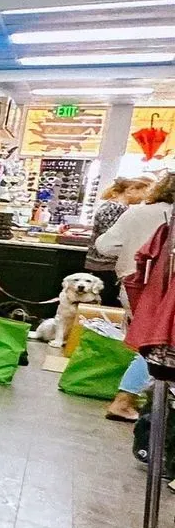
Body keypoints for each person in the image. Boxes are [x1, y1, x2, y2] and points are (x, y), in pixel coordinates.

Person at [98, 174, 175, 421]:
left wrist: (133, 248)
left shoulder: (137, 212)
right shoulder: (167, 216)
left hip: (132, 281)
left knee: (147, 342)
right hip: (160, 288)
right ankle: (125, 399)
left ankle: (133, 399)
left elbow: (105, 246)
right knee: (156, 343)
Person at [87, 176, 150, 306]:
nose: (145, 197)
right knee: (105, 304)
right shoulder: (115, 209)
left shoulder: (117, 208)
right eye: (144, 191)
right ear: (130, 190)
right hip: (106, 266)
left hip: (104, 265)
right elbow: (111, 239)